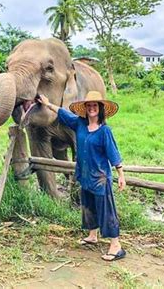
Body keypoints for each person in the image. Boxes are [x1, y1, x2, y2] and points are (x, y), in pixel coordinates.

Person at [37, 91, 127, 262]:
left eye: (95, 105)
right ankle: (93, 235)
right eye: (89, 105)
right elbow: (63, 114)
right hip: (86, 175)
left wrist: (121, 175)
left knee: (106, 211)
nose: (92, 108)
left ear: (100, 109)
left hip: (100, 178)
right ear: (85, 109)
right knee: (88, 206)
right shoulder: (79, 124)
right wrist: (48, 104)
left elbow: (113, 154)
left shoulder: (104, 131)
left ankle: (116, 246)